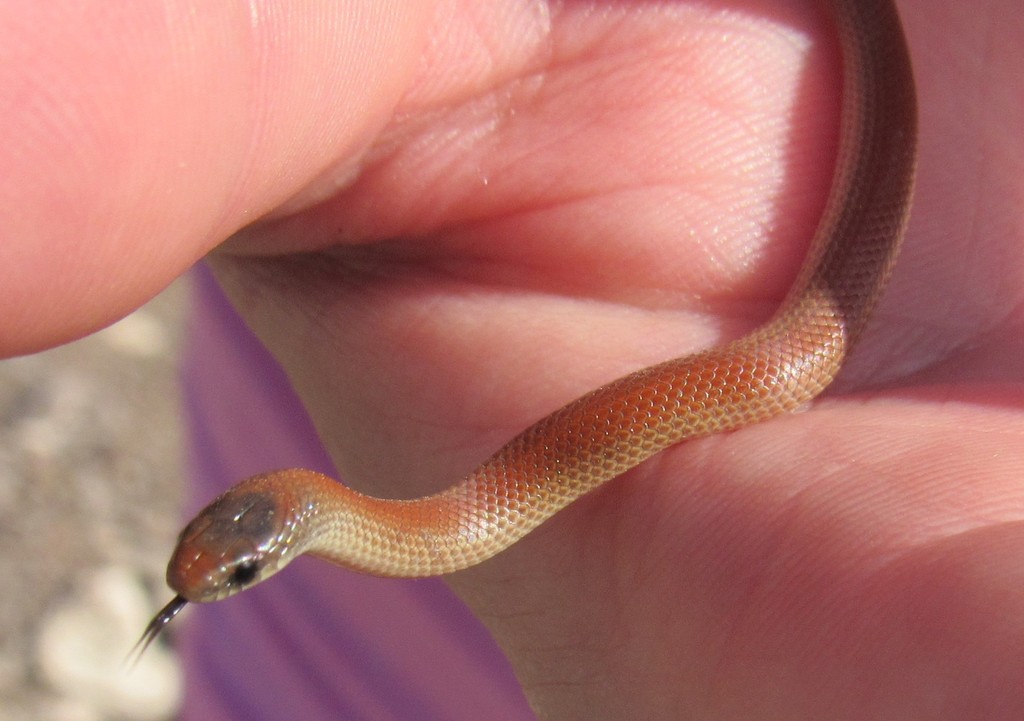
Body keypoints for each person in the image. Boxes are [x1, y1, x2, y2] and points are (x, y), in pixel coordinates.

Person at [4, 1, 1023, 718]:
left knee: (786, 361)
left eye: (232, 567)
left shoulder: (428, 521)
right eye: (227, 565)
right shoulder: (409, 522)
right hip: (294, 680)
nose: (220, 573)